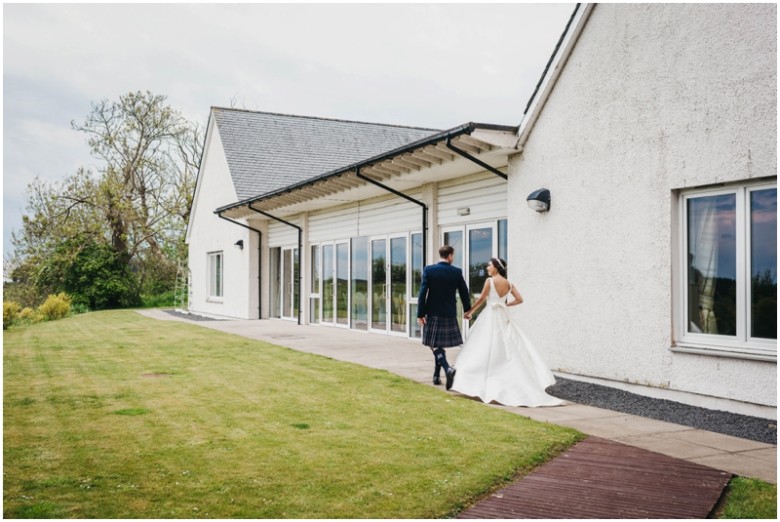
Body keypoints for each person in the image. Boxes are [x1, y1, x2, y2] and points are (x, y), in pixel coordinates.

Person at [452, 257, 563, 407]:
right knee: (506, 345)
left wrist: (470, 311)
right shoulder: (509, 283)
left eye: (489, 266)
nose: (487, 268)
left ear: (496, 268)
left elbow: (482, 299)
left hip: (490, 316)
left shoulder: (489, 281)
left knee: (483, 346)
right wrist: (505, 305)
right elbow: (520, 299)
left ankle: (479, 382)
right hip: (503, 316)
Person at [417, 245, 472, 390]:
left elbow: (422, 294)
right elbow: (464, 292)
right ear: (450, 256)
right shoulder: (456, 272)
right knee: (437, 344)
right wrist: (467, 310)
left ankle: (447, 368)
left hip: (433, 312)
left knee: (433, 343)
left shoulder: (429, 270)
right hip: (449, 313)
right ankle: (436, 376)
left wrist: (420, 314)